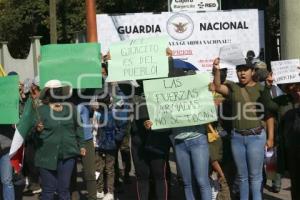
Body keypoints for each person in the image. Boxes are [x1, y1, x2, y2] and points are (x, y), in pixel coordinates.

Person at [213, 57, 274, 200]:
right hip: (237, 138)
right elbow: (217, 86)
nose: (242, 73)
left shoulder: (261, 88)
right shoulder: (234, 87)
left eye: (245, 70)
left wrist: (271, 138)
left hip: (256, 137)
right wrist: (216, 69)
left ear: (252, 71)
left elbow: (269, 116)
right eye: (239, 70)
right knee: (242, 177)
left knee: (255, 177)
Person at [19, 79, 86, 200]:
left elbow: (79, 127)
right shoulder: (40, 111)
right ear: (49, 93)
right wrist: (36, 130)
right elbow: (29, 135)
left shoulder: (70, 108)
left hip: (68, 155)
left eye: (59, 90)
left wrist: (82, 145)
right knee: (48, 190)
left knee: (64, 190)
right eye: (54, 91)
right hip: (46, 156)